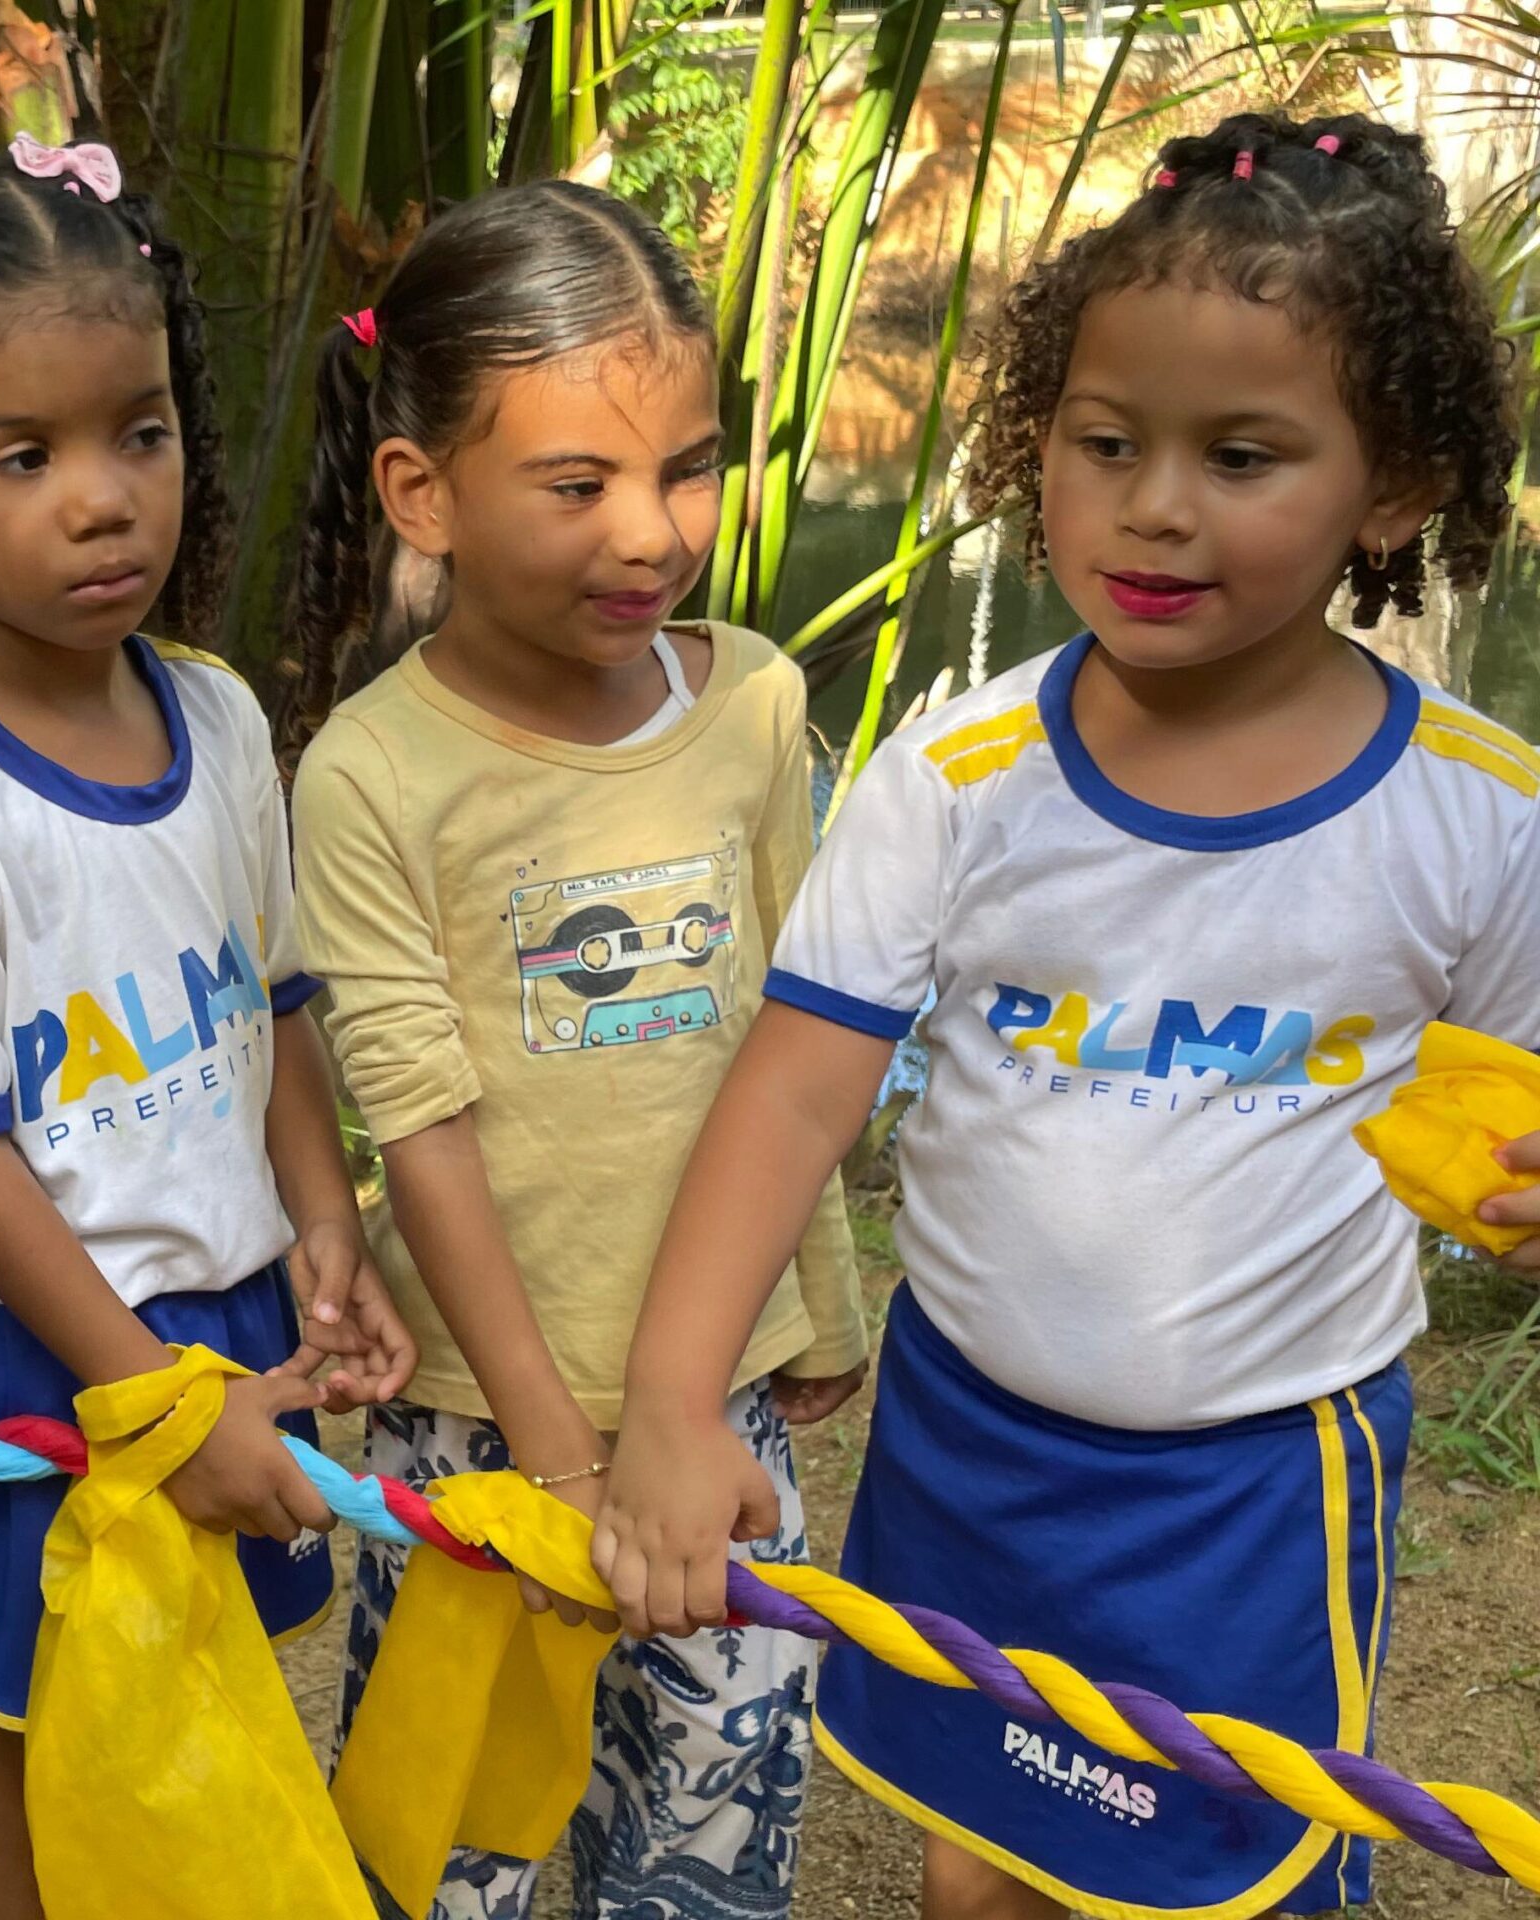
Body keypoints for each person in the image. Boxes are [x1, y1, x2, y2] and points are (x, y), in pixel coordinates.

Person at [593, 112, 1540, 1920]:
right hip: (973, 1442)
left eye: (1243, 455)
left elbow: (1518, 1115)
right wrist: (668, 1399)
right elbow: (795, 1103)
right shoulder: (958, 780)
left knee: (1226, 1874)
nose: (1156, 504)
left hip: (1259, 1482)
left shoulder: (1481, 824)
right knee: (991, 1858)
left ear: (1399, 483)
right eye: (1107, 444)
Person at [0, 140, 417, 1920]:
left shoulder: (213, 717)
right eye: (28, 456)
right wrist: (141, 1392)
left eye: (141, 432)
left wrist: (326, 1220)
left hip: (228, 1314)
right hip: (44, 1350)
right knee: (46, 1729)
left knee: (199, 1687)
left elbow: (275, 999)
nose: (104, 499)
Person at [283, 181, 869, 1920]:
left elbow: (803, 1033)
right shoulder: (372, 775)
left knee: (707, 1835)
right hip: (482, 1420)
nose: (651, 531)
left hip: (732, 1398)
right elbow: (426, 1129)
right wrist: (551, 1461)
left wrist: (819, 1297)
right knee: (457, 1849)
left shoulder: (757, 702)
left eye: (687, 466)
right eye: (577, 483)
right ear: (424, 494)